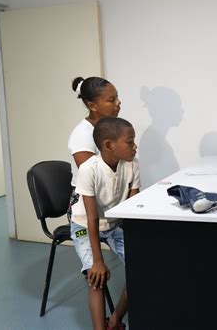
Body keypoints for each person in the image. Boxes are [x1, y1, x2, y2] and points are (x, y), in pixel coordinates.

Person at [67, 76, 127, 329]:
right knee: (96, 277)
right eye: (111, 100)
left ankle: (114, 322)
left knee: (145, 265)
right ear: (93, 105)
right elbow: (97, 185)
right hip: (88, 214)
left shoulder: (116, 130)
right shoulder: (81, 137)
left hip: (112, 215)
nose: (118, 103)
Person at [70, 117, 140, 330]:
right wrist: (98, 261)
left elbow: (132, 207)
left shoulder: (133, 164)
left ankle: (115, 321)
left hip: (114, 224)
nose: (135, 146)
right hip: (84, 225)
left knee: (141, 270)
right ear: (110, 145)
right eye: (130, 141)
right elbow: (91, 217)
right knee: (96, 278)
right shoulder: (89, 169)